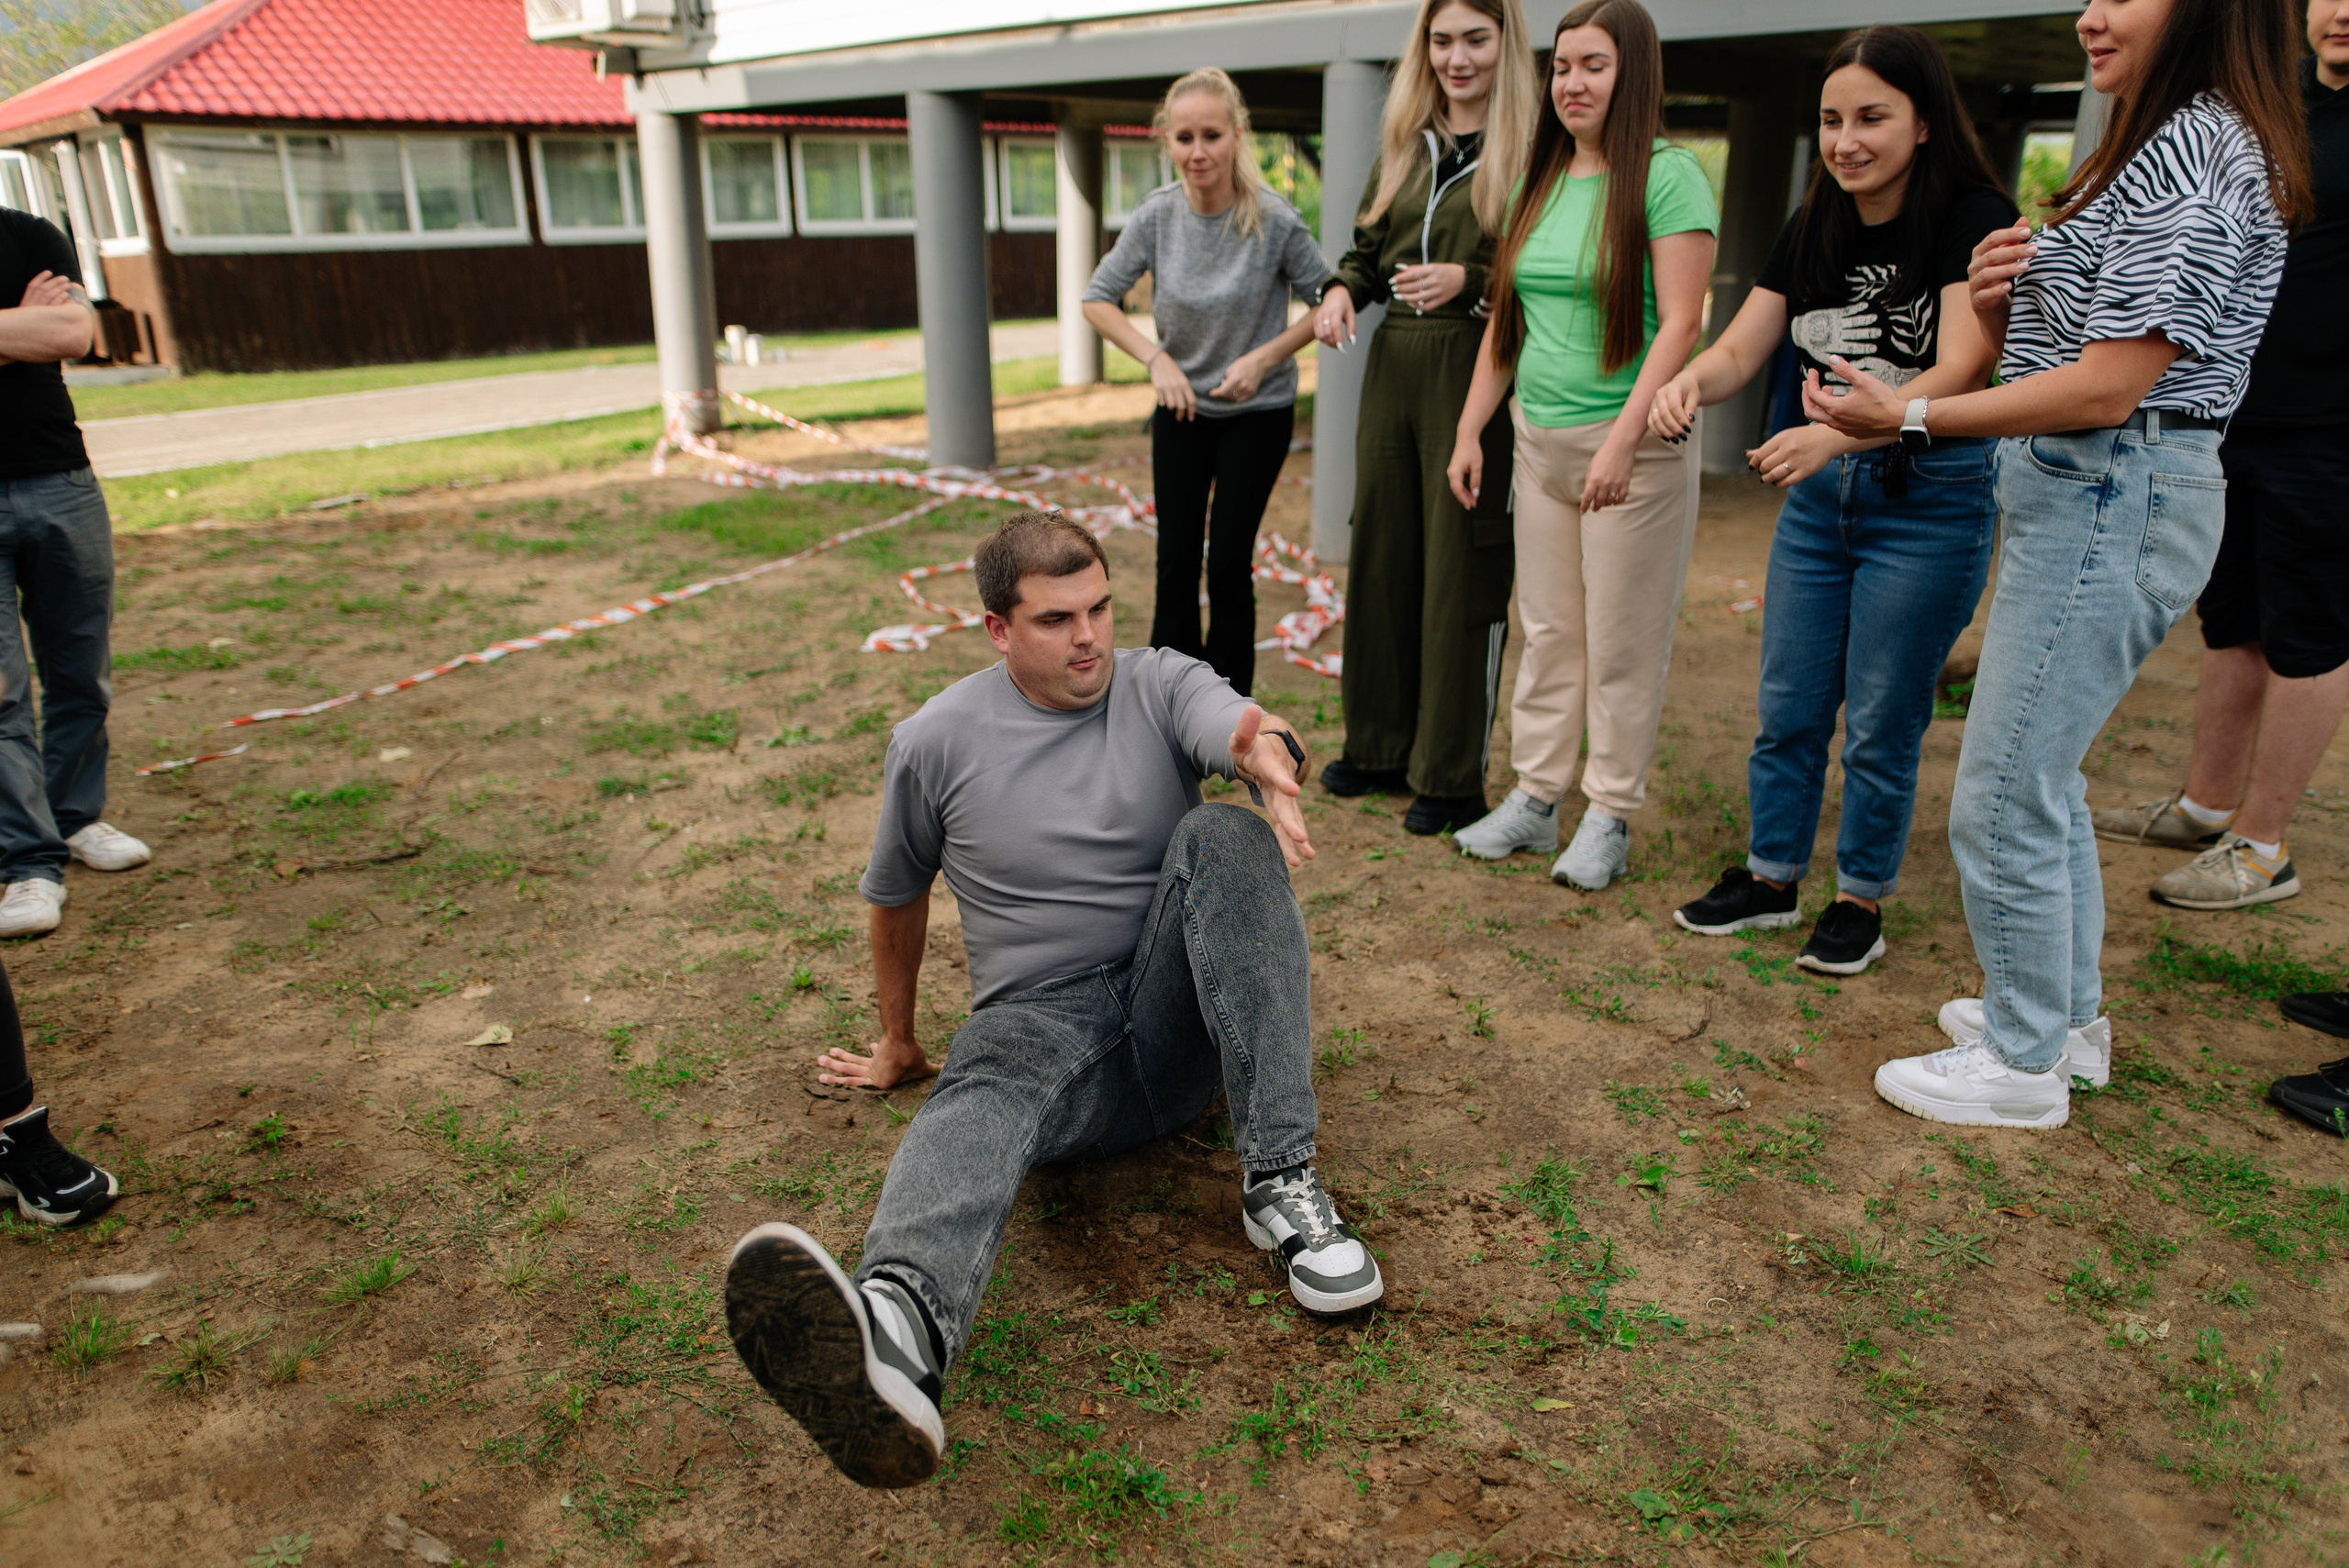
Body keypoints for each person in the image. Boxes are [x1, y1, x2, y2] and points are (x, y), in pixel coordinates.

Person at [721, 513, 1381, 1489]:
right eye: (1055, 618)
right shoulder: (934, 740)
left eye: (1101, 607)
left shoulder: (1154, 682)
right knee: (982, 1076)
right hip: (1042, 1027)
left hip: (1178, 1019)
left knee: (1228, 838)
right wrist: (898, 1039)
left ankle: (1281, 1184)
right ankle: (896, 1332)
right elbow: (894, 892)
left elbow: (1234, 721)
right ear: (997, 629)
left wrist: (1266, 753)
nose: (1088, 637)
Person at [1806, 0, 2311, 1129]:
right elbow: (2102, 346)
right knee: (2044, 776)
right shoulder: (2170, 135)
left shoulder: (2193, 146)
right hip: (2097, 489)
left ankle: (2024, 1064)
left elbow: (2109, 386)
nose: (2089, 14)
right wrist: (2013, 292)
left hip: (2111, 486)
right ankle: (2060, 1021)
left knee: (1999, 787)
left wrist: (1914, 415)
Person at [1655, 28, 2017, 977]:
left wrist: (1842, 433)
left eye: (1871, 118)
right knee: (1788, 704)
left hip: (1928, 498)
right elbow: (1742, 346)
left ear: (1924, 122)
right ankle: (1771, 879)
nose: (1845, 140)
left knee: (1884, 717)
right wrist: (1689, 383)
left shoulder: (1970, 211)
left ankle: (1859, 897)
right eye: (1830, 119)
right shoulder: (1814, 216)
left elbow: (1961, 365)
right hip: (1822, 503)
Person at [1443, 0, 1719, 891]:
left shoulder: (1669, 176)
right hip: (1539, 439)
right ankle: (1535, 796)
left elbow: (1681, 322)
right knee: (1550, 628)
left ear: (1630, 72)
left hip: (1625, 448)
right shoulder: (1544, 171)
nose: (1571, 82)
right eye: (1561, 66)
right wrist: (1470, 427)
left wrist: (1623, 440)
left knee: (1623, 638)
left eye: (1592, 65)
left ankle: (1608, 813)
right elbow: (1507, 317)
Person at [2090, 0, 2348, 915]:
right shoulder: (2275, 114)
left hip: (2328, 434)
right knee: (2231, 619)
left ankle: (2262, 843)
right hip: (2232, 421)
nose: (2341, 11)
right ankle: (2203, 806)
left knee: (2309, 634)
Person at [1311, 0, 1537, 837]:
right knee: (1383, 552)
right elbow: (1366, 254)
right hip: (1391, 366)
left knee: (1458, 567)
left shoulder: (1530, 149)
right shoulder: (1408, 142)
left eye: (1475, 38)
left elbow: (1533, 275)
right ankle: (1376, 745)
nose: (1457, 57)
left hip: (1476, 365)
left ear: (1504, 45)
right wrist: (1340, 292)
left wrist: (1472, 282)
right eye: (1442, 41)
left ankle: (1449, 771)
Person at [1082, 69, 1334, 696]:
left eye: (1212, 136)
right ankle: (1170, 711)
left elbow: (1330, 296)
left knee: (1226, 563)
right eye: (1184, 137)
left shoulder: (1274, 219)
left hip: (1258, 412)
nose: (1198, 152)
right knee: (1175, 565)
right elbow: (1098, 298)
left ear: (1237, 136)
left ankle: (1226, 715)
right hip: (1184, 408)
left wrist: (1264, 358)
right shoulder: (1157, 217)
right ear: (1166, 139)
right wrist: (1155, 359)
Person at [0, 207, 152, 941]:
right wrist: (13, 329)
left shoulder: (29, 235)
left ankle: (75, 819)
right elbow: (40, 332)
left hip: (61, 480)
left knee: (79, 670)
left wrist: (39, 331)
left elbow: (71, 335)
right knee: (0, 692)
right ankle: (27, 862)